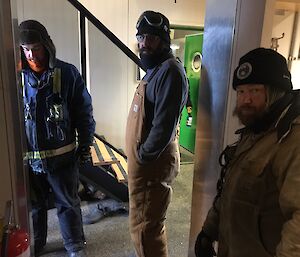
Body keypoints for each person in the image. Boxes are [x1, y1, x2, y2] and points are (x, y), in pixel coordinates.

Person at [194, 47, 300, 257]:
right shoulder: (256, 130)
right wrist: (209, 230)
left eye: (254, 91)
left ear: (275, 92)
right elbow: (230, 190)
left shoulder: (291, 139)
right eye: (241, 92)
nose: (245, 100)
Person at [18, 20, 95, 257]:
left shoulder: (68, 73)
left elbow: (84, 112)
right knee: (35, 208)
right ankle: (36, 244)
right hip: (29, 163)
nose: (31, 54)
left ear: (47, 46)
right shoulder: (16, 79)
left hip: (62, 162)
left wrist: (85, 144)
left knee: (68, 204)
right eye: (26, 49)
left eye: (36, 48)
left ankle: (74, 246)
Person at [125, 11, 188, 257]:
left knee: (147, 228)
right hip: (143, 164)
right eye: (141, 37)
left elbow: (163, 127)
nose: (143, 43)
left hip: (151, 164)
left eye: (150, 38)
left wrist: (143, 156)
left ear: (163, 40)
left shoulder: (170, 71)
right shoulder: (155, 70)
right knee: (142, 225)